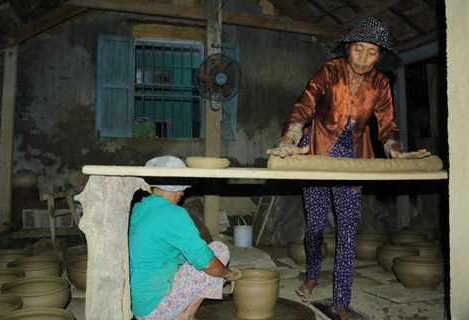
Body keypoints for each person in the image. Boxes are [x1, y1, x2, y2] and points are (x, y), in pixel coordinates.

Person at [267, 17, 430, 320]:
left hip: (353, 158)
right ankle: (312, 274)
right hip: (317, 151)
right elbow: (305, 104)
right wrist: (290, 137)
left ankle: (342, 300)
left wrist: (396, 150)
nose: (363, 59)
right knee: (315, 226)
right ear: (348, 49)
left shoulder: (380, 83)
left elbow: (387, 126)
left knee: (347, 230)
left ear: (379, 56)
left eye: (371, 52)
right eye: (358, 50)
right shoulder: (331, 71)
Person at [129, 155, 241, 320]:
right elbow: (208, 264)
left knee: (195, 256)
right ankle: (186, 315)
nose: (183, 192)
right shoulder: (174, 214)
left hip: (138, 306)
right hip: (156, 311)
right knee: (218, 250)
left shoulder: (138, 208)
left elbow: (172, 252)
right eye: (182, 186)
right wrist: (227, 274)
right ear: (176, 185)